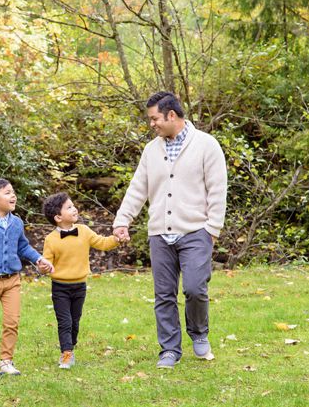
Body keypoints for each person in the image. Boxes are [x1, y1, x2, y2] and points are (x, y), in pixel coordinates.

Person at [112, 92, 227, 369]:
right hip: (160, 233)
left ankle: (199, 333)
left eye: (154, 118)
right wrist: (122, 219)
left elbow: (218, 188)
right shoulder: (152, 149)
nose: (152, 124)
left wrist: (212, 229)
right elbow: (138, 187)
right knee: (164, 295)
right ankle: (169, 350)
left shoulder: (206, 145)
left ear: (171, 115)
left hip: (196, 230)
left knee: (195, 288)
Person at [0, 178, 54, 375]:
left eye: (13, 192)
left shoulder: (16, 223)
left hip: (12, 281)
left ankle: (6, 361)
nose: (13, 195)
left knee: (11, 322)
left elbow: (22, 246)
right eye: (7, 192)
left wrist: (39, 259)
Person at [41, 192, 119, 369]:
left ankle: (71, 344)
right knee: (65, 321)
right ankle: (66, 353)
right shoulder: (51, 239)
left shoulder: (83, 231)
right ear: (58, 217)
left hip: (79, 286)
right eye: (69, 207)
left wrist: (116, 239)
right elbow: (46, 262)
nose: (74, 208)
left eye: (73, 205)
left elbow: (102, 242)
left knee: (75, 321)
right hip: (60, 287)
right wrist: (44, 267)